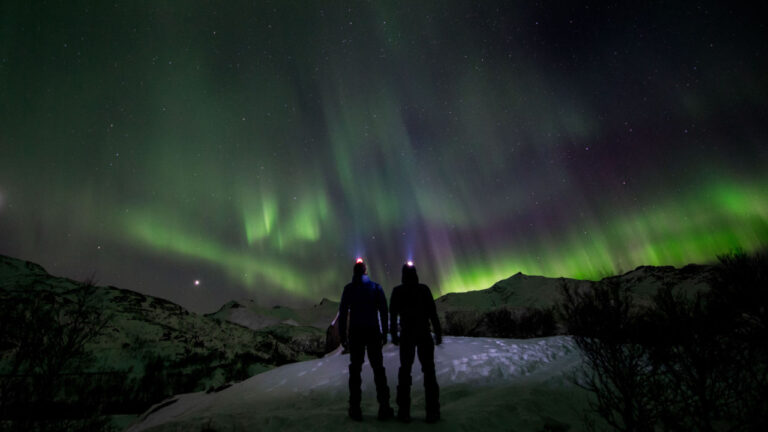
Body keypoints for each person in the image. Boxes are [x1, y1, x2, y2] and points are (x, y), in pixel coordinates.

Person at [338, 258, 394, 421]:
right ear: (365, 271)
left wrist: (343, 336)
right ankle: (384, 407)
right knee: (378, 369)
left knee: (355, 371)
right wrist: (384, 332)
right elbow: (384, 311)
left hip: (356, 334)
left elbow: (342, 314)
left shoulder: (348, 289)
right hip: (372, 332)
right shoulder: (376, 288)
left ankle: (355, 408)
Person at [389, 261, 442, 423]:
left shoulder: (397, 291)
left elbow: (392, 315)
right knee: (429, 373)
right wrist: (438, 332)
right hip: (424, 334)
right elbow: (433, 313)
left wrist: (394, 335)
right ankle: (432, 412)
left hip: (407, 336)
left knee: (405, 372)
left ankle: (404, 411)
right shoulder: (424, 290)